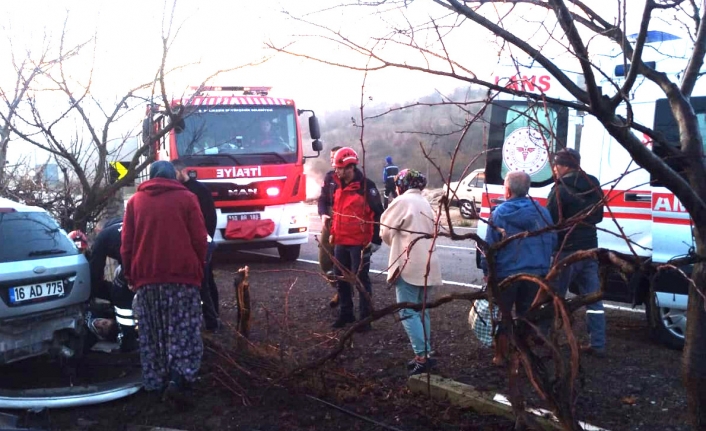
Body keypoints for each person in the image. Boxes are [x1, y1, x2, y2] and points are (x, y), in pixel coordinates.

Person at [121, 161, 208, 405]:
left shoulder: (135, 202)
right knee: (183, 329)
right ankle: (179, 378)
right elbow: (200, 239)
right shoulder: (188, 198)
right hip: (182, 277)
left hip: (146, 278)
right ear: (173, 177)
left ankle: (155, 381)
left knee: (152, 332)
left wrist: (130, 275)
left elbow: (126, 245)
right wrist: (198, 268)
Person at [480, 171, 556, 366]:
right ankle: (523, 355)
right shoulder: (542, 212)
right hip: (535, 273)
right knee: (527, 316)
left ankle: (500, 355)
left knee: (503, 315)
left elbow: (490, 247)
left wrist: (487, 272)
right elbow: (552, 241)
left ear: (507, 190)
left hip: (507, 274)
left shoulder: (499, 214)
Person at [380, 169, 442, 376]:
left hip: (409, 264)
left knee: (407, 311)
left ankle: (421, 357)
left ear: (401, 185)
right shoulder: (425, 203)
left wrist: (394, 240)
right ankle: (426, 353)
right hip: (428, 263)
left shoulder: (402, 201)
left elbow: (385, 230)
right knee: (421, 310)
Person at [546, 148, 606, 357]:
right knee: (593, 299)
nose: (554, 169)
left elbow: (551, 222)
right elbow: (598, 217)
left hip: (566, 252)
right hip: (590, 249)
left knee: (556, 297)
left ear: (564, 166)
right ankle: (598, 343)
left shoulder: (560, 189)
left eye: (555, 165)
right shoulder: (593, 183)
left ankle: (550, 341)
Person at [329, 147, 384, 330]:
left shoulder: (367, 187)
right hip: (340, 241)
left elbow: (378, 214)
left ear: (350, 167)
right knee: (340, 278)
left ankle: (365, 319)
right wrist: (333, 232)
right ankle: (346, 314)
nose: (336, 170)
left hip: (360, 243)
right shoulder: (337, 185)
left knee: (361, 280)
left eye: (339, 167)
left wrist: (376, 240)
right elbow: (337, 212)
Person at [172, 159, 221, 332]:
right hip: (188, 244)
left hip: (202, 243)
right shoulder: (178, 191)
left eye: (175, 173)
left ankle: (214, 317)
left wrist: (205, 240)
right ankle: (205, 316)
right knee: (200, 282)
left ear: (182, 171)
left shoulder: (199, 190)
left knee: (207, 281)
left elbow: (210, 217)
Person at [88, 216, 138, 352]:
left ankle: (128, 340)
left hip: (136, 264)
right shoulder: (129, 221)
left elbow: (95, 270)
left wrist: (92, 293)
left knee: (119, 294)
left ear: (99, 230)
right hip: (157, 260)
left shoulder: (103, 236)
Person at [317, 146, 342, 308]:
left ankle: (343, 294)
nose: (332, 160)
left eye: (336, 157)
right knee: (325, 260)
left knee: (343, 260)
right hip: (330, 220)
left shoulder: (355, 177)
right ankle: (339, 289)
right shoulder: (329, 177)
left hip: (346, 222)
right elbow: (322, 199)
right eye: (331, 157)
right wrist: (323, 214)